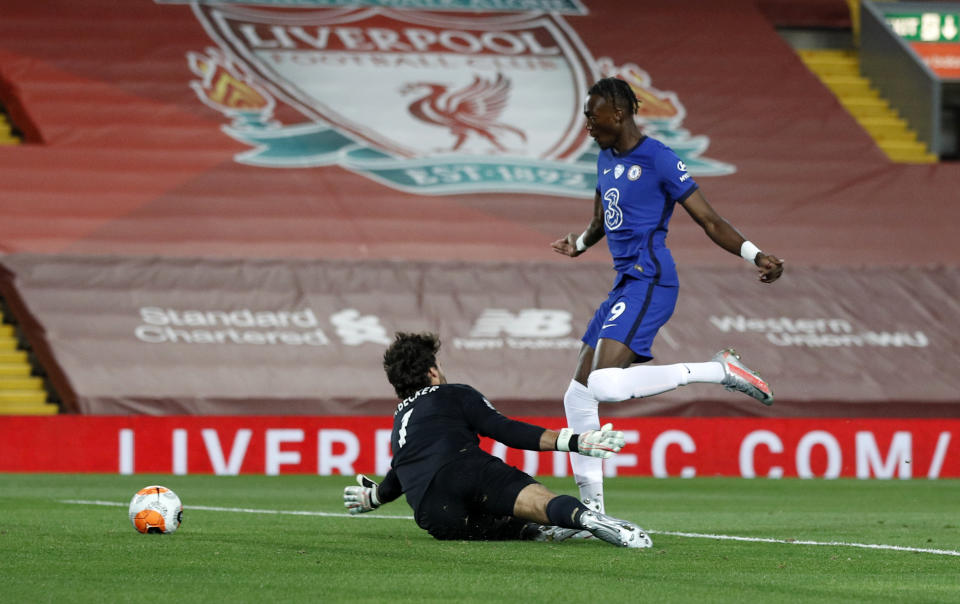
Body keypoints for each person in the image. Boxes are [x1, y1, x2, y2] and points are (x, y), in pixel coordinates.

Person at [550, 77, 785, 513]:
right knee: (578, 396)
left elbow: (709, 220)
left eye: (591, 113)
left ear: (618, 113)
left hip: (651, 279)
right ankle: (592, 514)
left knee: (604, 384)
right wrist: (580, 243)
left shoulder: (658, 157)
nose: (586, 122)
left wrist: (755, 255)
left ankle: (720, 371)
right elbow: (604, 216)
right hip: (625, 283)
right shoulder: (605, 158)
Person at [342, 331, 653, 548]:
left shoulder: (400, 422)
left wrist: (375, 498)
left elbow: (402, 471)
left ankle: (534, 530)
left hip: (434, 513)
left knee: (500, 523)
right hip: (463, 468)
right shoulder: (452, 393)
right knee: (535, 501)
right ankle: (586, 518)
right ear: (432, 372)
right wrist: (573, 441)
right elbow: (504, 430)